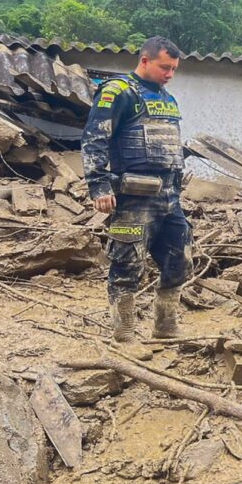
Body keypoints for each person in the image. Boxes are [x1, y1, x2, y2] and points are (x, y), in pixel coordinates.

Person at [81, 36, 192, 356]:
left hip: (169, 198)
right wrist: (99, 186)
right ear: (144, 61)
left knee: (179, 260)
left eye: (174, 69)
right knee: (127, 264)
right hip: (133, 198)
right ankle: (124, 333)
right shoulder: (118, 92)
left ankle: (165, 325)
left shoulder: (168, 99)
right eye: (164, 67)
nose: (170, 73)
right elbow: (93, 140)